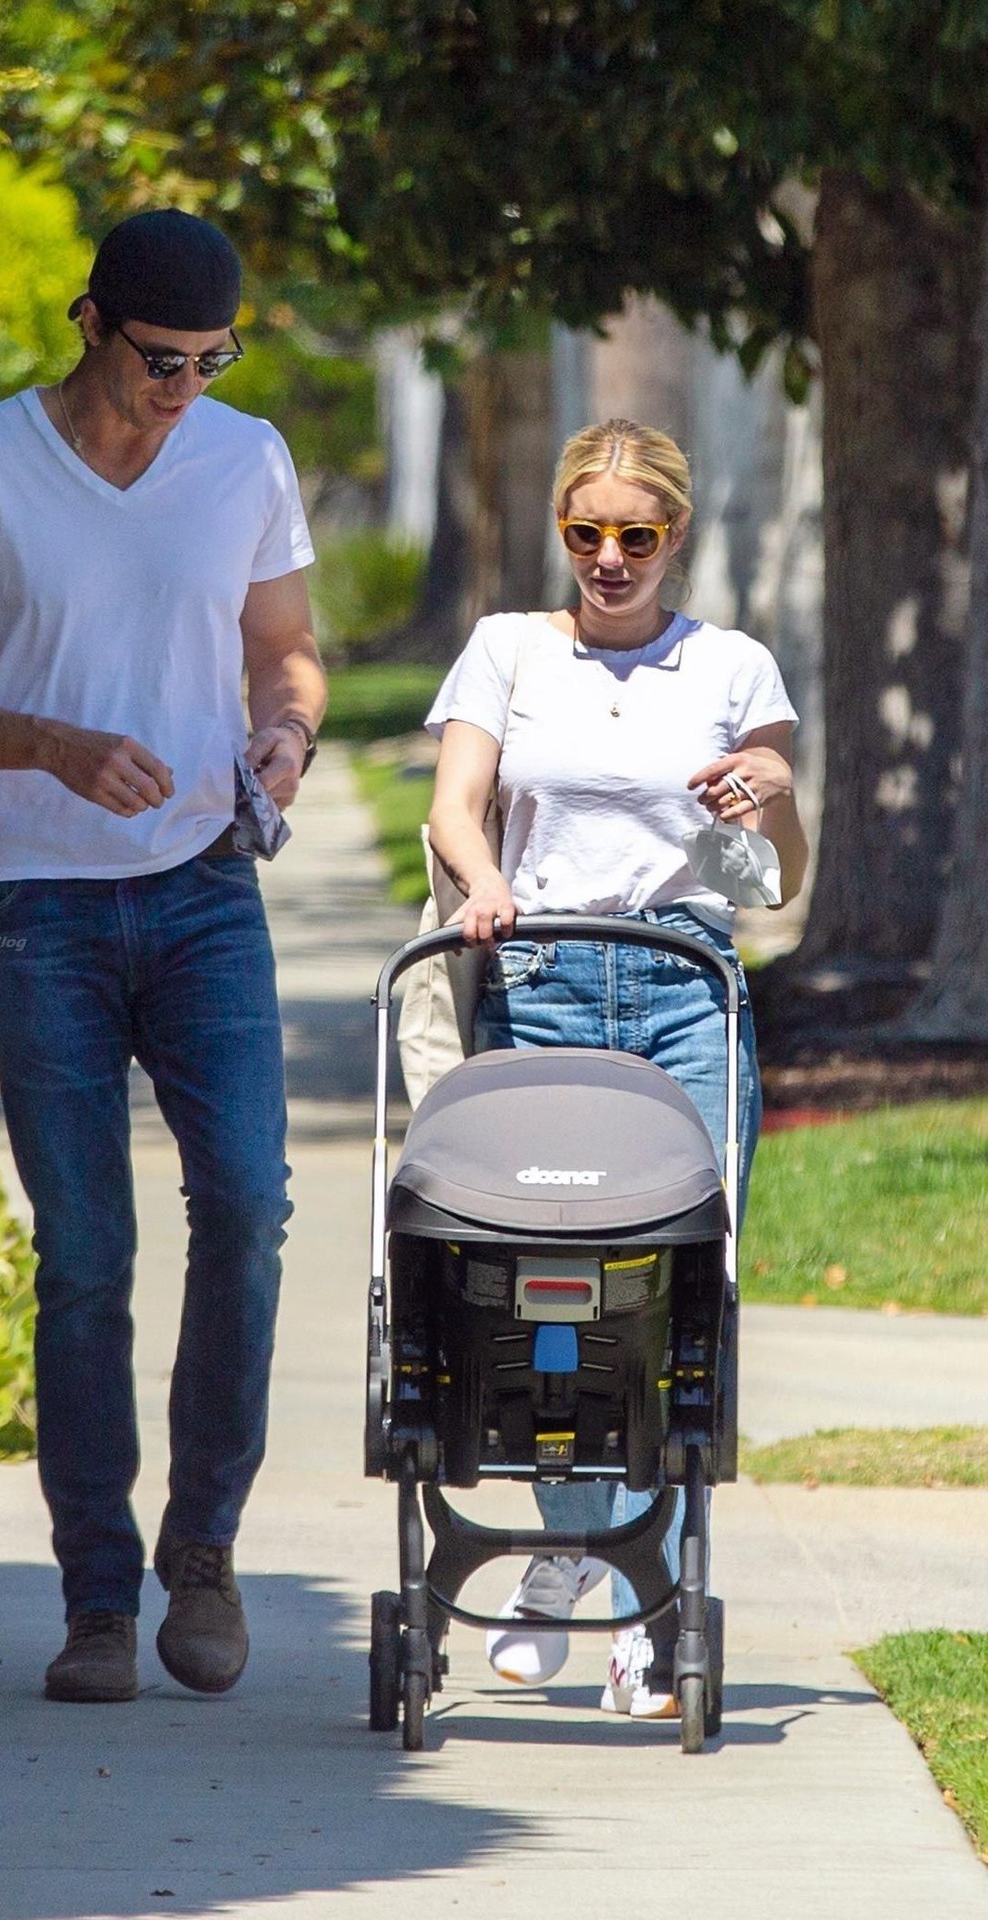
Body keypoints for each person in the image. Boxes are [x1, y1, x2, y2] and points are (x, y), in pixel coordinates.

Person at [0, 209, 326, 1705]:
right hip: (38, 905)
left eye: (211, 361)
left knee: (248, 1207)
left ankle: (202, 1555)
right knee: (85, 1256)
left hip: (204, 888)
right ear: (90, 322)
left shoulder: (245, 459)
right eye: (159, 360)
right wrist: (51, 747)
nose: (183, 388)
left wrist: (287, 731)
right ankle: (92, 1602)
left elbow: (286, 648)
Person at [424, 417, 808, 1718]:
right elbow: (455, 803)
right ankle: (564, 1554)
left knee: (677, 1298)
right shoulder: (507, 649)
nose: (607, 558)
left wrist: (768, 790)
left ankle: (652, 1605)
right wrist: (484, 882)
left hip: (684, 988)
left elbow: (783, 871)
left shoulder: (732, 666)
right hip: (540, 985)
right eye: (583, 531)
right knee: (547, 1297)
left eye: (634, 536)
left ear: (673, 536)